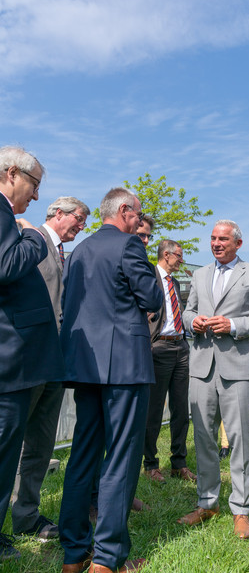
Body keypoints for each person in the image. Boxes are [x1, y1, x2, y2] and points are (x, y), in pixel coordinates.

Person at [58, 188, 163, 573]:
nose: (140, 221)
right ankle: (108, 557)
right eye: (138, 214)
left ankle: (74, 552)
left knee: (82, 456)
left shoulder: (80, 251)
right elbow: (151, 299)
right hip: (124, 367)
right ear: (124, 210)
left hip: (85, 366)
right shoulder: (129, 246)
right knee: (121, 457)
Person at [179, 219, 249, 539]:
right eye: (212, 238)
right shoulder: (199, 274)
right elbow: (187, 312)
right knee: (204, 438)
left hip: (237, 368)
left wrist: (232, 325)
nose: (216, 243)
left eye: (223, 239)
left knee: (240, 440)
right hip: (202, 366)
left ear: (238, 244)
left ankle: (241, 509)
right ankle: (207, 503)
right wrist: (196, 322)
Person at [12, 197, 90, 540]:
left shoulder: (67, 255)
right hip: (24, 361)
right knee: (10, 442)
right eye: (79, 218)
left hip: (56, 364)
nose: (82, 225)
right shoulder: (26, 240)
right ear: (58, 214)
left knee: (41, 446)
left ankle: (26, 516)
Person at [0, 146, 63, 562]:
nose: (36, 197)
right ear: (10, 174)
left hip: (27, 358)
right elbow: (6, 266)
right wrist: (35, 236)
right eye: (34, 185)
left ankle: (19, 522)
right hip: (12, 359)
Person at [144, 240, 196, 483]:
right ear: (166, 255)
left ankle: (179, 463)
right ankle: (151, 464)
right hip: (159, 347)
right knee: (153, 410)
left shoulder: (174, 282)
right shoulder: (148, 275)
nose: (181, 261)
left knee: (181, 409)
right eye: (179, 256)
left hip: (181, 347)